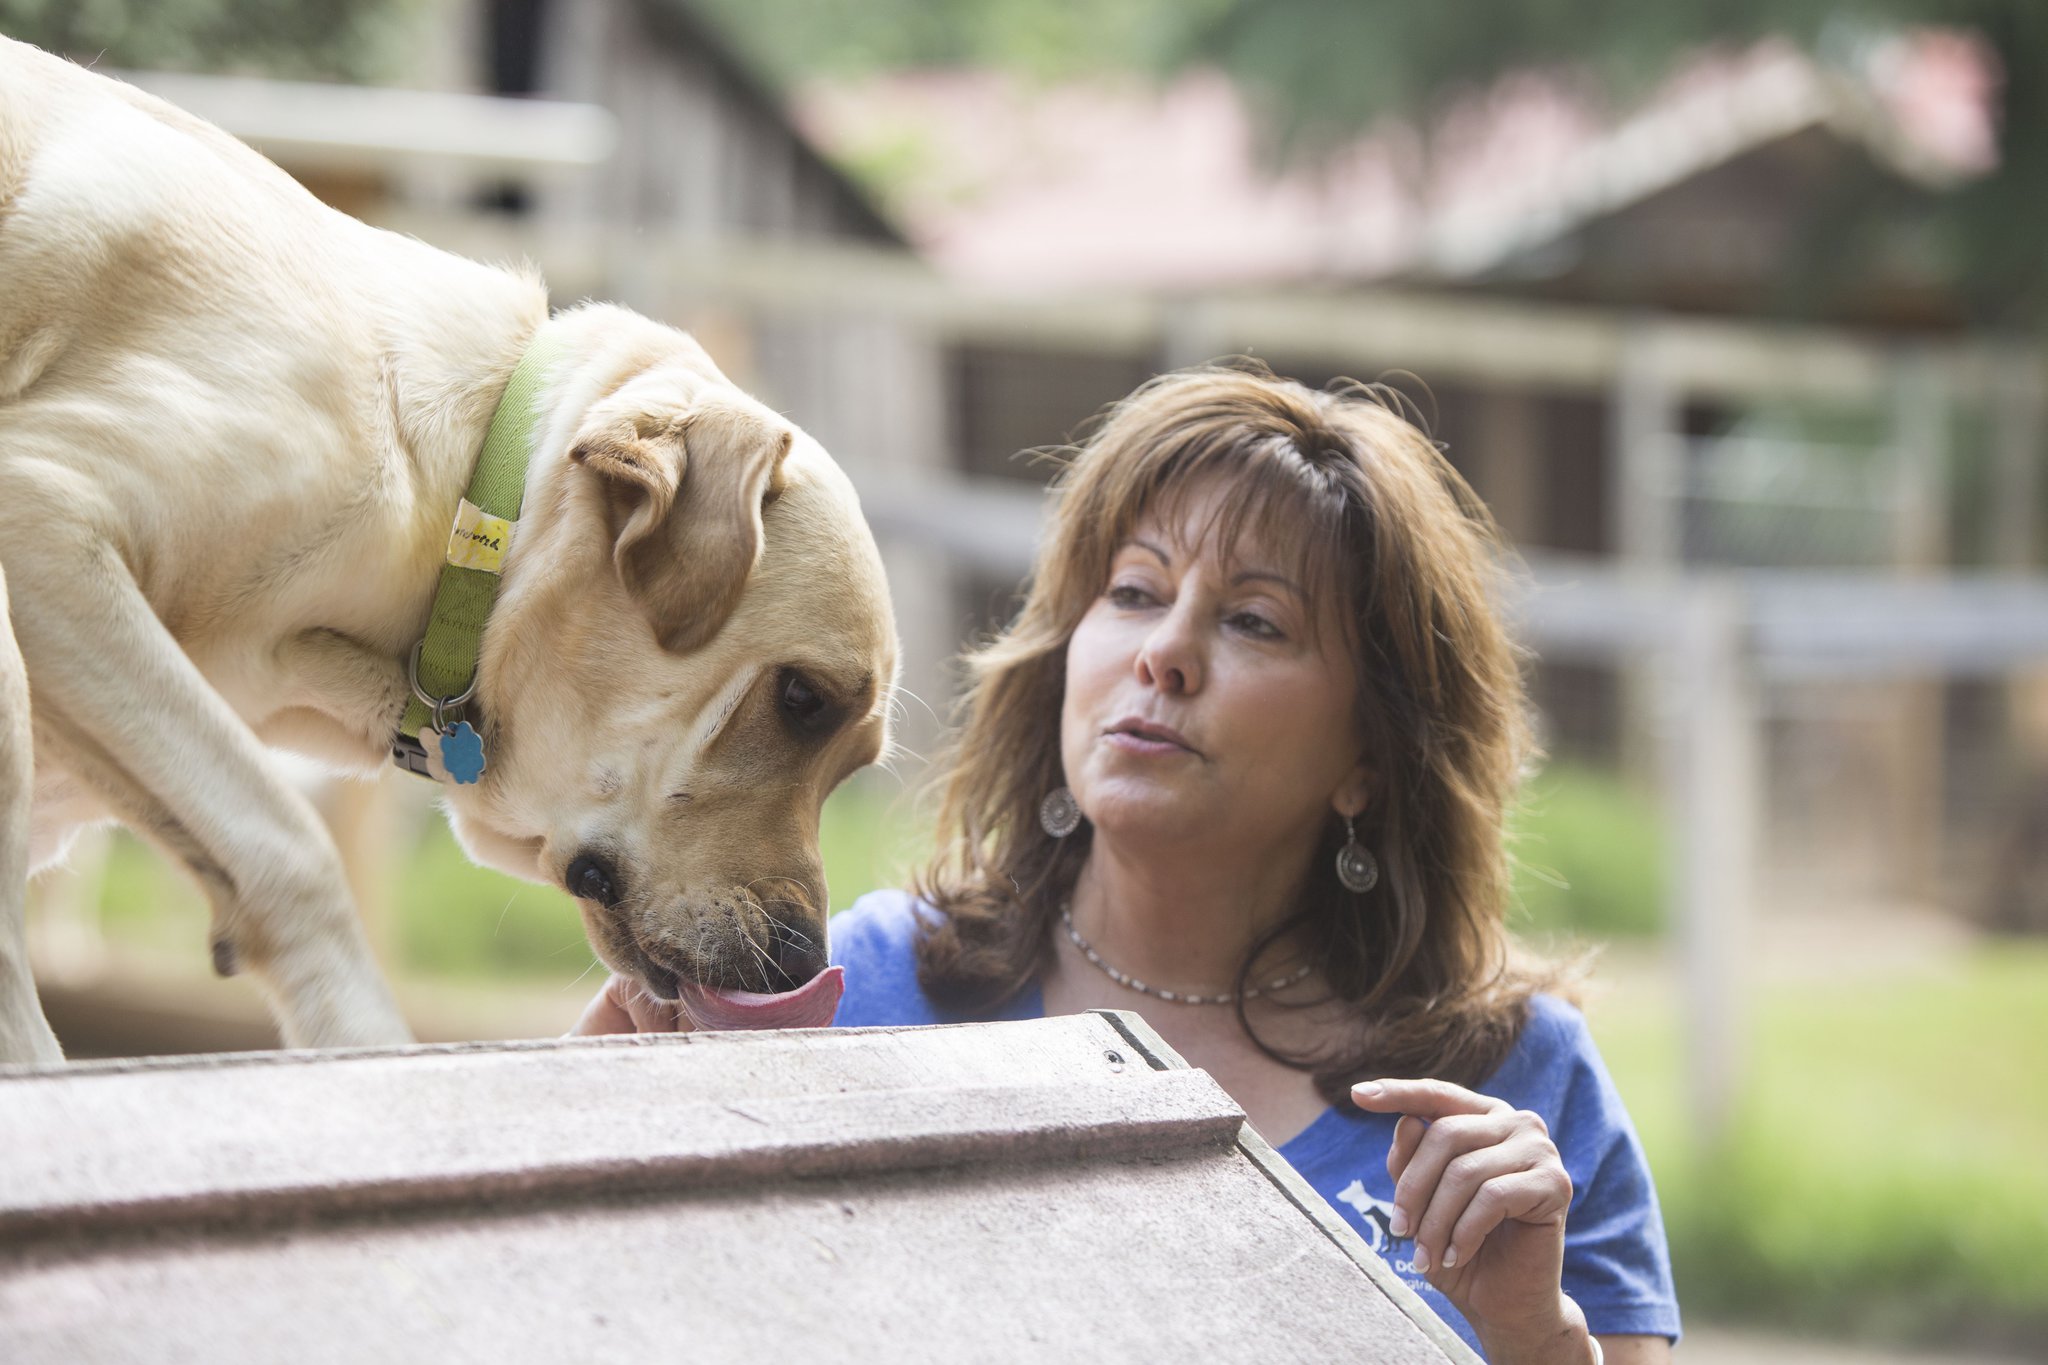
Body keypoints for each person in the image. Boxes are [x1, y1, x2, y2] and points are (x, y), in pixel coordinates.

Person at [575, 363, 1680, 1363]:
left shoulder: (1517, 1087)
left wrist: (1531, 1338)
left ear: (1369, 759)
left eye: (1253, 621)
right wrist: (595, 1153)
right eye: (1136, 592)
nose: (1162, 653)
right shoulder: (846, 1001)